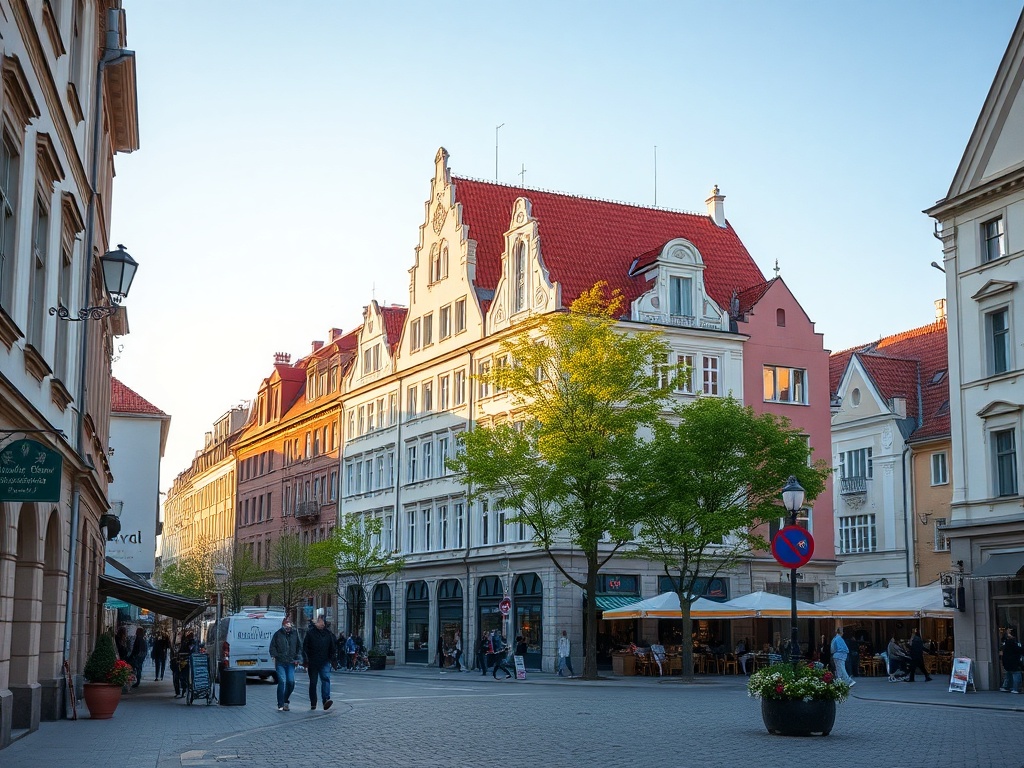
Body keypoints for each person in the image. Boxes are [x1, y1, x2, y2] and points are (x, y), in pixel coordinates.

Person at [302, 612, 337, 710]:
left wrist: (333, 659)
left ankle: (326, 699)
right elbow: (305, 647)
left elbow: (333, 646)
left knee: (325, 678)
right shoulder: (310, 633)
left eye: (322, 621)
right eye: (319, 621)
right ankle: (313, 702)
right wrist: (306, 660)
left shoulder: (328, 634)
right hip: (313, 662)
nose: (321, 623)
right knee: (313, 682)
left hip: (325, 661)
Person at [270, 616, 301, 711]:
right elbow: (272, 647)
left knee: (291, 682)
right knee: (282, 681)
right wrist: (276, 656)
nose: (287, 625)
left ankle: (285, 699)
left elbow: (299, 647)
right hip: (280, 662)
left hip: (291, 662)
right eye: (285, 623)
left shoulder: (295, 634)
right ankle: (280, 704)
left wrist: (297, 658)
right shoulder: (278, 634)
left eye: (289, 623)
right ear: (283, 624)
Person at [173, 629, 196, 699]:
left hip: (185, 662)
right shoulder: (184, 642)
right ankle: (182, 691)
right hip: (182, 661)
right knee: (180, 677)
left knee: (182, 677)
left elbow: (190, 651)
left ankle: (183, 691)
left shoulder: (191, 642)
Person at [999, 627, 1022, 693]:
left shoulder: (1006, 643)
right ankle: (1015, 688)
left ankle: (1006, 687)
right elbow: (1019, 650)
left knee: (1009, 674)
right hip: (1013, 662)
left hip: (1007, 662)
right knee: (1016, 674)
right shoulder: (1012, 643)